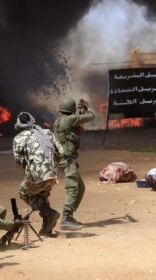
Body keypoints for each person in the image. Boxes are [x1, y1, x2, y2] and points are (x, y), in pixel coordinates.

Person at [12, 112, 64, 237]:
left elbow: (18, 162)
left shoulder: (18, 138)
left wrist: (29, 165)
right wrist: (49, 164)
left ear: (19, 125)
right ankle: (46, 229)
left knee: (23, 192)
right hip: (53, 175)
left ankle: (48, 212)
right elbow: (61, 152)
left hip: (36, 177)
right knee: (42, 196)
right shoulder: (46, 133)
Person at [52, 98, 95, 231]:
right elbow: (91, 116)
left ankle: (69, 215)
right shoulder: (69, 120)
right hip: (67, 159)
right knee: (73, 187)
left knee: (80, 187)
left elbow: (75, 120)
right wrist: (88, 108)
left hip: (64, 159)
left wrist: (79, 111)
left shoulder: (59, 120)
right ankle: (66, 218)